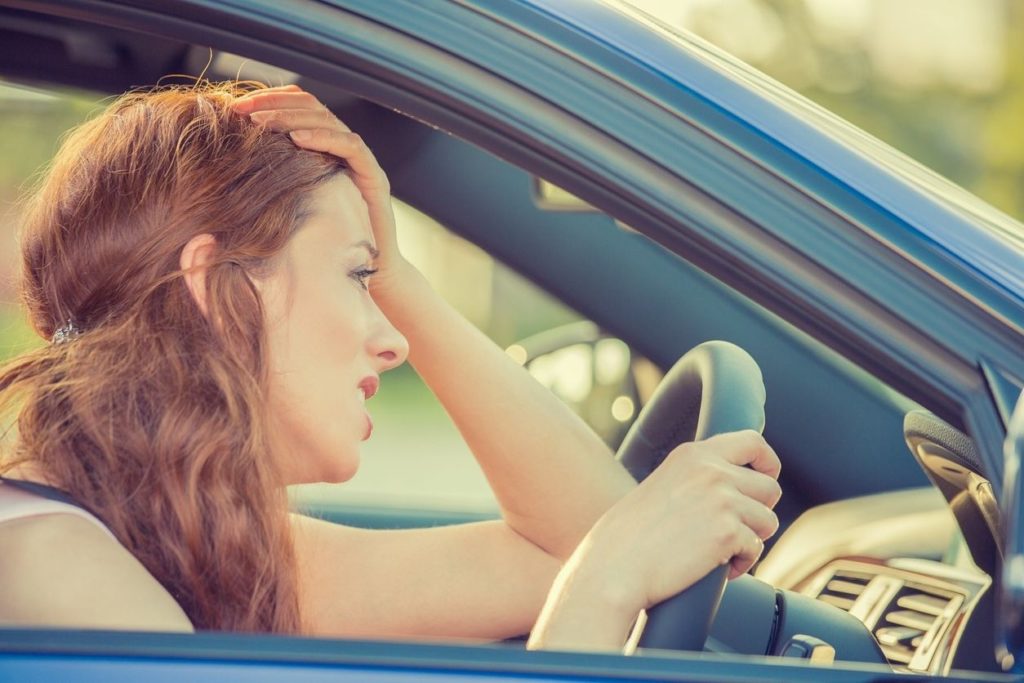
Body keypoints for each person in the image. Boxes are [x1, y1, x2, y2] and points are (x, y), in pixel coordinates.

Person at [0, 81, 781, 651]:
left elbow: (576, 542)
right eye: (354, 276)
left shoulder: (201, 542)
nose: (395, 340)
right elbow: (596, 558)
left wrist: (400, 276)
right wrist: (603, 584)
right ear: (219, 284)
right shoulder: (57, 573)